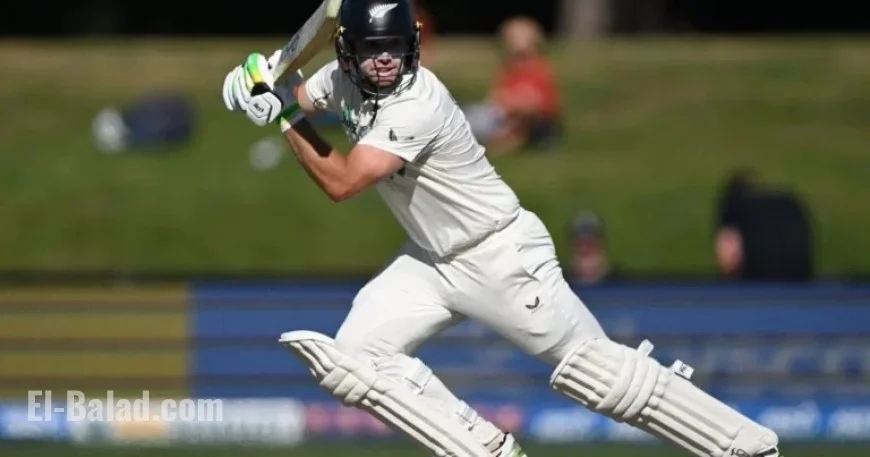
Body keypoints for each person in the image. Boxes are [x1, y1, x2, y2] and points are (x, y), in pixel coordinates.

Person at [220, 1, 780, 456]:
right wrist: (259, 85)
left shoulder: (417, 102)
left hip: (500, 255)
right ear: (349, 54)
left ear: (411, 47)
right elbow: (295, 96)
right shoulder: (341, 79)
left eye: (395, 48)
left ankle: (743, 445)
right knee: (354, 361)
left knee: (597, 374)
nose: (386, 62)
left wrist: (283, 119)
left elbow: (341, 182)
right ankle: (483, 447)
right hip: (430, 262)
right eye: (373, 51)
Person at [463, 16, 562, 156]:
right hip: (497, 115)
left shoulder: (540, 70)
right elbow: (496, 96)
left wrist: (513, 105)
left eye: (517, 36)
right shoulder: (508, 69)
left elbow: (542, 107)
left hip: (517, 120)